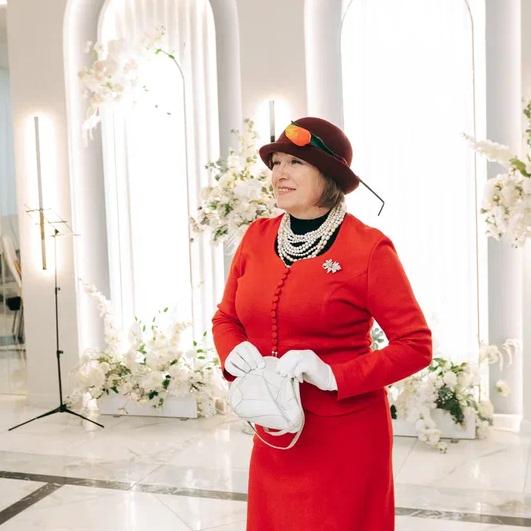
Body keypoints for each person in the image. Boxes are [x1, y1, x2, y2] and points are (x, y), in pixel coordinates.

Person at [212, 116, 432, 530]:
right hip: (274, 428)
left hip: (345, 439)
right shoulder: (256, 237)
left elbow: (416, 345)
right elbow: (226, 317)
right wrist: (232, 348)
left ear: (328, 175)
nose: (279, 173)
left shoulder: (369, 249)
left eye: (295, 162)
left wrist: (333, 375)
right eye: (276, 163)